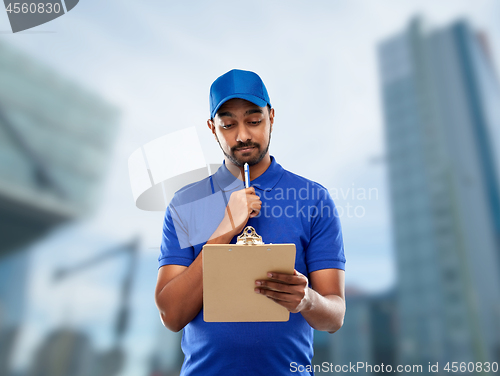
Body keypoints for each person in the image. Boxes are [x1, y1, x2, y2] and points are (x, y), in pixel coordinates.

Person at [155, 69, 346, 376]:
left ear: (271, 117)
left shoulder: (313, 199)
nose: (242, 135)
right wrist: (222, 232)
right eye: (228, 124)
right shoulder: (185, 203)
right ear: (212, 128)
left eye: (254, 121)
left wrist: (306, 300)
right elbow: (172, 315)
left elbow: (335, 317)